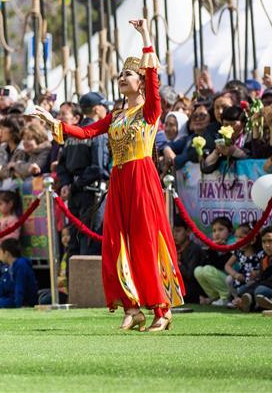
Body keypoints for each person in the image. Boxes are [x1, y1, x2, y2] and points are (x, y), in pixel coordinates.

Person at [31, 19, 185, 332]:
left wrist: (145, 37)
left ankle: (161, 308)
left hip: (142, 176)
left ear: (140, 81)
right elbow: (86, 131)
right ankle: (132, 307)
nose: (121, 78)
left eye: (127, 74)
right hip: (119, 178)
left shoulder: (150, 111)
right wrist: (51, 123)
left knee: (145, 240)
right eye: (120, 75)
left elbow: (154, 78)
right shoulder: (116, 116)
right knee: (117, 242)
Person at [56, 93, 110, 256]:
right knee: (90, 240)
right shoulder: (97, 133)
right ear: (96, 109)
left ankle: (73, 280)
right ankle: (88, 282)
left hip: (74, 193)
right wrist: (73, 184)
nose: (106, 110)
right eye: (103, 106)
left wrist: (67, 184)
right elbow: (98, 167)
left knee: (75, 240)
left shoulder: (73, 133)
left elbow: (61, 165)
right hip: (92, 195)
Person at [193, 216, 234, 305]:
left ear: (230, 231)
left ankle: (225, 297)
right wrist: (212, 248)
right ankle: (215, 297)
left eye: (221, 229)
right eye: (214, 231)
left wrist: (223, 249)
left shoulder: (233, 244)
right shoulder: (214, 246)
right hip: (222, 279)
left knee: (207, 269)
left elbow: (222, 265)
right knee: (198, 270)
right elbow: (210, 264)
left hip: (233, 282)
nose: (217, 233)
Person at [0, 238, 38, 308]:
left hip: (25, 301)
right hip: (11, 297)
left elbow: (20, 287)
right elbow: (1, 287)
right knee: (1, 301)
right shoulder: (7, 267)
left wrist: (19, 305)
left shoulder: (21, 265)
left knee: (2, 302)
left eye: (0, 251)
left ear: (6, 253)